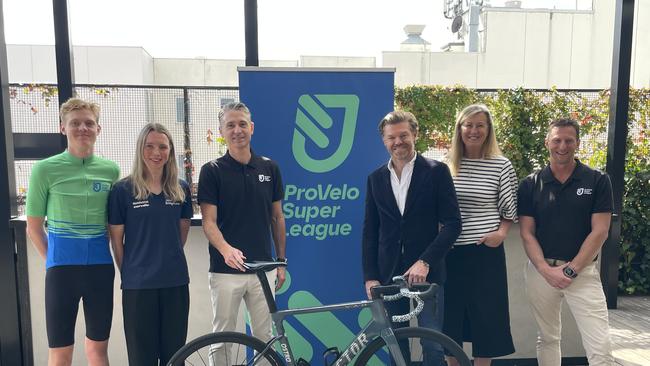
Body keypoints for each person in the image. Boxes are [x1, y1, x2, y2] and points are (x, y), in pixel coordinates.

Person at [362, 110, 462, 365]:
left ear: (415, 134)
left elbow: (453, 224)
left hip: (428, 276)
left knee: (433, 345)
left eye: (403, 135)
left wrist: (425, 261)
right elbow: (370, 231)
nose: (398, 142)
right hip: (387, 276)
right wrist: (370, 276)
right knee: (396, 346)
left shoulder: (437, 171)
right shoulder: (375, 179)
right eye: (391, 137)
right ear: (384, 141)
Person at [26, 98, 119, 366]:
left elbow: (114, 226)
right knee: (60, 351)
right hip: (61, 273)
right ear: (62, 128)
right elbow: (34, 227)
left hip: (100, 270)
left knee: (98, 350)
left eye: (89, 123)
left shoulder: (110, 170)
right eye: (75, 123)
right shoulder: (44, 169)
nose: (82, 128)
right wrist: (54, 260)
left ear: (98, 129)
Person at [518, 118, 615, 366]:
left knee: (600, 346)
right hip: (541, 273)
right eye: (557, 140)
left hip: (582, 273)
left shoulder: (597, 180)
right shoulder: (530, 184)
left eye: (569, 140)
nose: (562, 146)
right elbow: (527, 233)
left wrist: (571, 270)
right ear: (547, 142)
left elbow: (600, 231)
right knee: (548, 338)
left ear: (577, 143)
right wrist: (546, 270)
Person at [197, 102, 286, 361]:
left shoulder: (270, 168)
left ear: (252, 128)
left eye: (242, 124)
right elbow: (208, 222)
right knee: (222, 337)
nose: (237, 130)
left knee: (265, 338)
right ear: (222, 131)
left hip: (263, 269)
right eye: (231, 125)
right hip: (226, 271)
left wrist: (280, 262)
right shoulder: (211, 171)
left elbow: (277, 217)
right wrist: (226, 250)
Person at [108, 123, 192, 366]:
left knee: (174, 356)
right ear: (140, 149)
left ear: (170, 151)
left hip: (175, 282)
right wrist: (133, 271)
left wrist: (165, 257)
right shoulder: (122, 190)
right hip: (138, 286)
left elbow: (181, 235)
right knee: (141, 357)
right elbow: (116, 240)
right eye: (150, 146)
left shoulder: (181, 189)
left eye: (163, 147)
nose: (157, 153)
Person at [442, 104, 516, 366]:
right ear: (459, 129)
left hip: (485, 254)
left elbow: (509, 210)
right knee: (449, 319)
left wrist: (501, 234)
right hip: (449, 254)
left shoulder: (501, 165)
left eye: (480, 125)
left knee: (486, 319)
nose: (474, 131)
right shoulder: (446, 166)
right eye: (468, 125)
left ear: (488, 129)